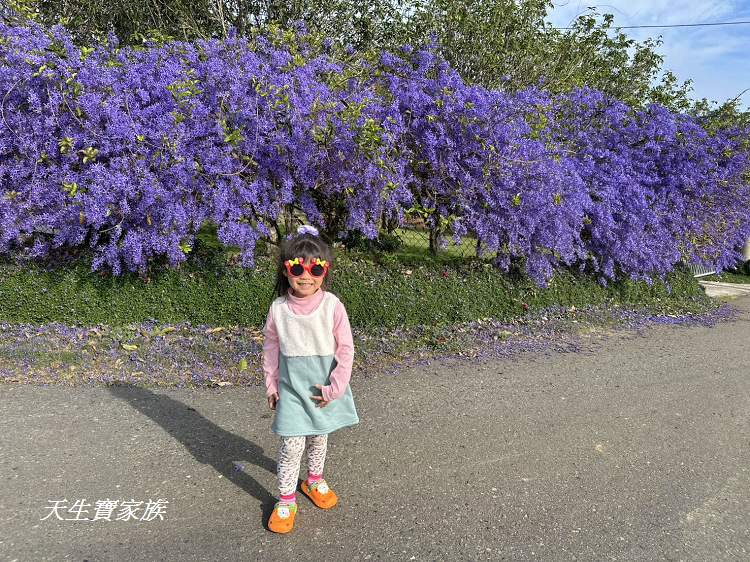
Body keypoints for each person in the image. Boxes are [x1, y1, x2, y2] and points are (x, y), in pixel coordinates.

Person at [262, 224, 359, 534]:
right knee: (291, 446)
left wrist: (336, 388)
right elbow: (271, 348)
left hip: (322, 389)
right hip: (291, 389)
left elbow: (345, 349)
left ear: (324, 272)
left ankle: (314, 480)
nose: (306, 275)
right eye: (297, 267)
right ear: (286, 270)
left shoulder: (332, 306)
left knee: (319, 437)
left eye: (315, 268)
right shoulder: (278, 309)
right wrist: (271, 383)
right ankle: (286, 498)